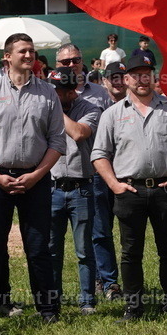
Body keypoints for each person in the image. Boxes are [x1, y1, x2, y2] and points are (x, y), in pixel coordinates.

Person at [0, 33, 66, 329]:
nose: (29, 55)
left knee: (38, 247)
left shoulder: (48, 93)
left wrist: (36, 175)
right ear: (7, 57)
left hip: (35, 180)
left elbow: (57, 141)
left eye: (32, 51)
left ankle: (48, 310)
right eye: (23, 51)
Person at [91, 54, 167, 321]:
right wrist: (114, 185)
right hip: (130, 192)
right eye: (136, 74)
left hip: (166, 189)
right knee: (130, 252)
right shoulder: (112, 114)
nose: (142, 79)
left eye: (147, 73)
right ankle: (133, 308)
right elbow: (99, 154)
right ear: (126, 79)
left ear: (154, 76)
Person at [46, 66, 101, 315]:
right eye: (52, 90)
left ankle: (87, 301)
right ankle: (52, 300)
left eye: (58, 91)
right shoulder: (47, 108)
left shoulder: (90, 108)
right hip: (52, 187)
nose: (53, 95)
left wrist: (55, 111)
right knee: (51, 249)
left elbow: (78, 133)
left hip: (81, 187)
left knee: (83, 250)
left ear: (71, 92)